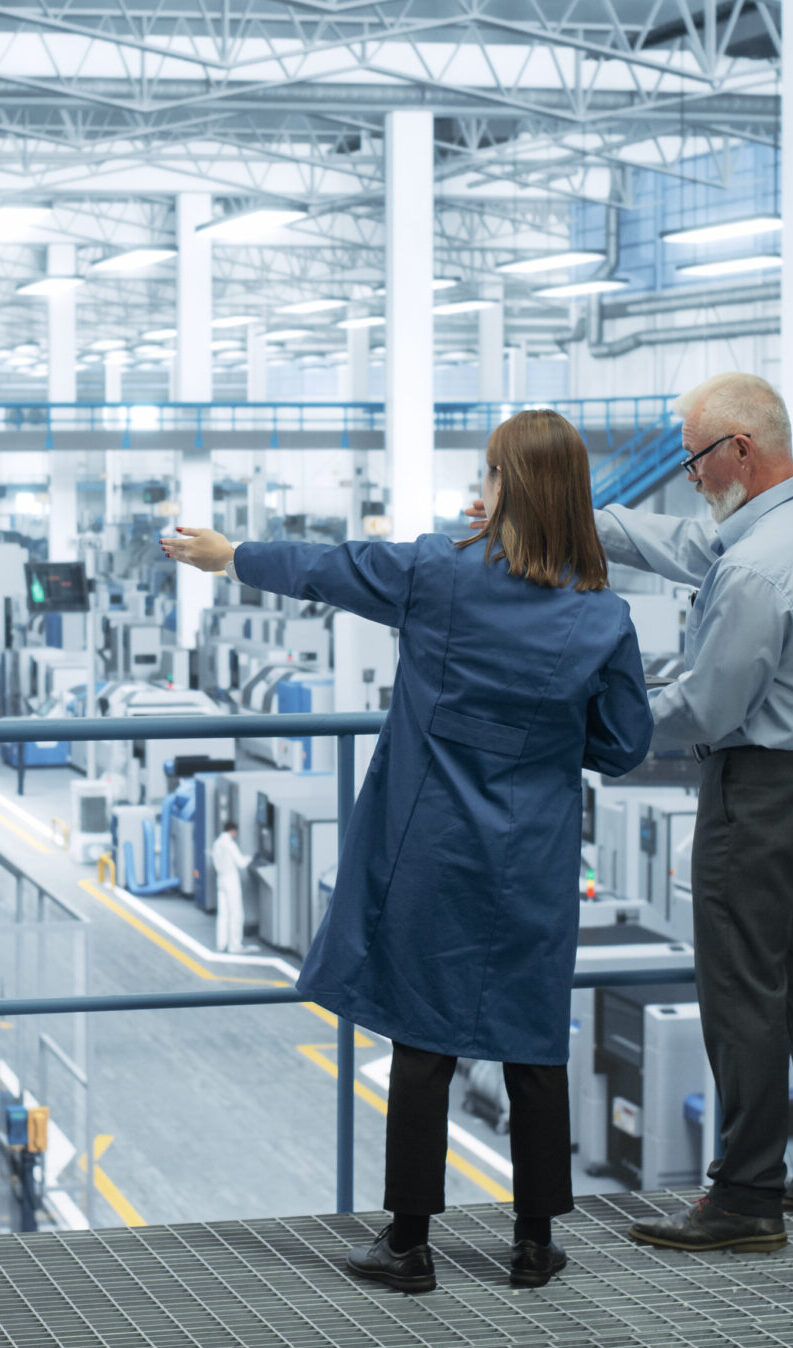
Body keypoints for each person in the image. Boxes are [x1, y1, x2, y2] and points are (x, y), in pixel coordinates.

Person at [161, 408, 652, 1292]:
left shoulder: (436, 572)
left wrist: (230, 555)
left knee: (424, 1040)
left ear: (504, 487)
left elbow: (327, 569)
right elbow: (619, 743)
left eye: (491, 475)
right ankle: (535, 1242)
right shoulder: (601, 614)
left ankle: (409, 1244)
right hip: (535, 856)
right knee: (532, 1039)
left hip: (434, 851)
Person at [466, 373, 793, 1254]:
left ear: (740, 451)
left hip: (762, 795)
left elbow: (704, 706)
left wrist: (579, 709)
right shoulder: (766, 533)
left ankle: (748, 1198)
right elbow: (690, 543)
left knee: (745, 995)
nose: (686, 471)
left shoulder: (758, 571)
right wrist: (568, 517)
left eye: (692, 454)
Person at [211, 819, 257, 955]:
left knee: (223, 914)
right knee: (236, 913)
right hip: (231, 880)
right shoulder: (229, 844)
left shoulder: (217, 844)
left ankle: (221, 944)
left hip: (220, 880)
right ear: (232, 831)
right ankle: (234, 945)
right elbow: (241, 863)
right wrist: (252, 858)